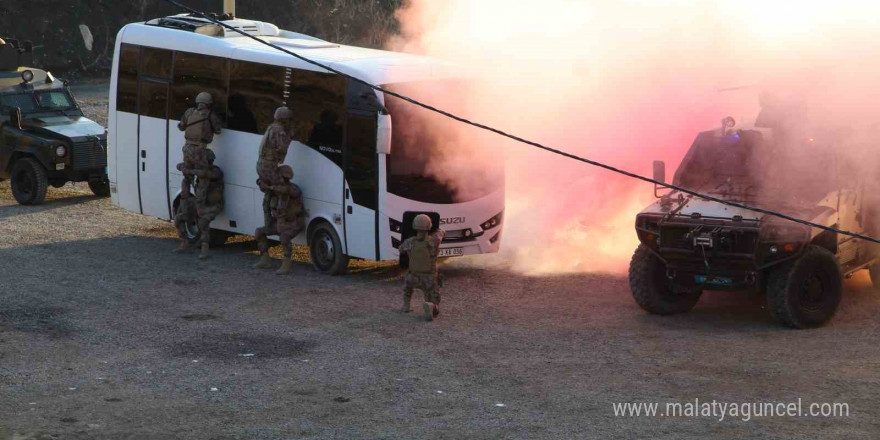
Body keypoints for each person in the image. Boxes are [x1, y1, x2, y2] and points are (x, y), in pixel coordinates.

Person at [173, 149, 225, 260]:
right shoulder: (199, 170)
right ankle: (184, 242)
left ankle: (205, 250)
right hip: (201, 205)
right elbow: (179, 166)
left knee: (202, 221)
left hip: (213, 206)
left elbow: (204, 174)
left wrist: (190, 171)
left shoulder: (215, 171)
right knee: (179, 218)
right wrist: (185, 167)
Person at [254, 165, 306, 275]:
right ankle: (265, 260)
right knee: (259, 232)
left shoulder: (293, 189)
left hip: (294, 223)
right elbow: (262, 185)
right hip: (280, 223)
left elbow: (285, 190)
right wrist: (261, 182)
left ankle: (286, 264)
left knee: (284, 236)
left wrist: (270, 187)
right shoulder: (275, 189)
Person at [399, 214, 446, 321]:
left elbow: (401, 249)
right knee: (433, 295)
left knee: (407, 288)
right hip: (428, 278)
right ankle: (432, 306)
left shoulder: (409, 242)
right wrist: (439, 231)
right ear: (429, 227)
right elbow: (441, 232)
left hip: (413, 277)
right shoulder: (434, 241)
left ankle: (406, 306)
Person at [177, 92, 222, 199]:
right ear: (208, 104)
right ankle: (200, 205)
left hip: (186, 148)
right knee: (203, 177)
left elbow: (181, 127)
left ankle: (184, 202)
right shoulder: (210, 115)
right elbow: (218, 130)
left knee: (187, 176)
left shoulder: (189, 112)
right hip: (199, 150)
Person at [257, 106, 294, 229]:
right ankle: (280, 220)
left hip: (261, 164)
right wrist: (290, 136)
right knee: (283, 190)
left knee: (269, 192)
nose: (289, 122)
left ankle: (268, 220)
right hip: (269, 165)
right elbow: (282, 147)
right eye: (288, 119)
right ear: (283, 119)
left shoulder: (271, 127)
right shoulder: (279, 130)